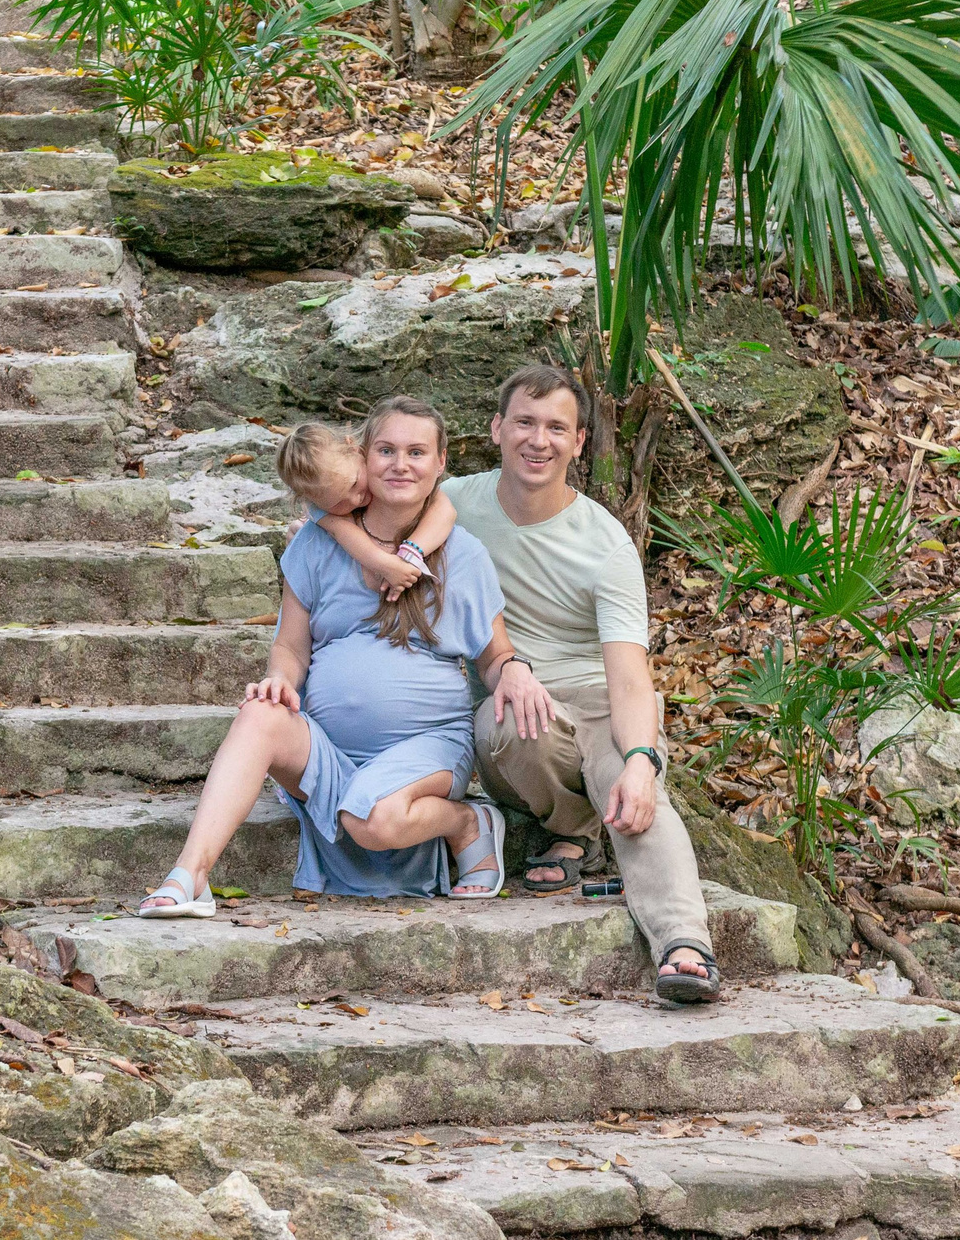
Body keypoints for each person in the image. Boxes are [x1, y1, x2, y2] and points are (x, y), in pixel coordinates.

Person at [136, 398, 514, 917]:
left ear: (441, 463)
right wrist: (280, 681)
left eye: (416, 452)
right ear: (362, 455)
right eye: (386, 449)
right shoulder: (317, 543)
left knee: (376, 819)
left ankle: (467, 822)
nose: (400, 464)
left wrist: (514, 674)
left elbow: (494, 655)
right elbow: (291, 646)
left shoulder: (463, 552)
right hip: (330, 751)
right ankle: (190, 876)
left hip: (429, 747)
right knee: (259, 713)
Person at [450, 364, 723, 1005]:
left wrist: (640, 759)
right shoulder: (454, 503)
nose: (537, 440)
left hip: (602, 704)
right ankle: (576, 826)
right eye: (524, 422)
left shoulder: (605, 542)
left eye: (556, 428)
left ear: (578, 443)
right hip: (517, 701)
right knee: (510, 720)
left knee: (635, 791)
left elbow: (630, 676)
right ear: (496, 429)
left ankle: (685, 946)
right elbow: (370, 498)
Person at [274, 421, 459, 599]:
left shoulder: (386, 471)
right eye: (337, 503)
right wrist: (385, 565)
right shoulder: (320, 511)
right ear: (310, 501)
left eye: (354, 483)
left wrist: (410, 552)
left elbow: (444, 508)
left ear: (353, 447)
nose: (356, 499)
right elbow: (343, 532)